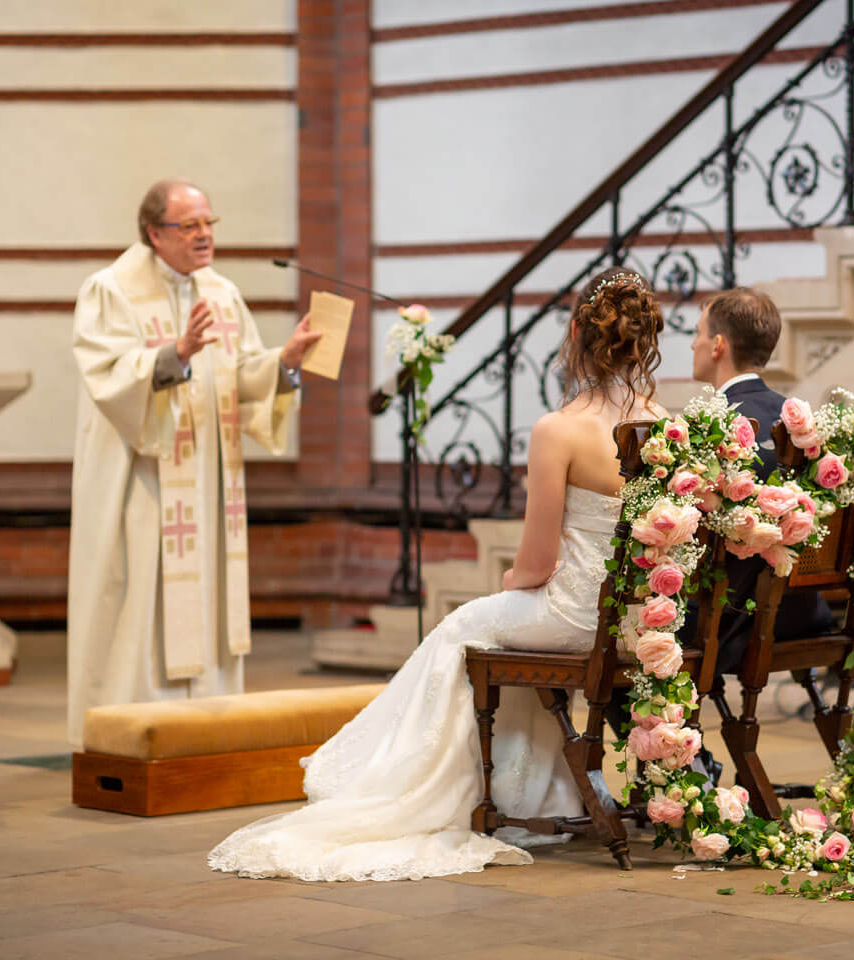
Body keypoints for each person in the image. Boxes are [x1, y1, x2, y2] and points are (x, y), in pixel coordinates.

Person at [208, 267, 667, 882]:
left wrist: (511, 581)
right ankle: (539, 798)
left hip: (572, 613)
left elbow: (536, 565)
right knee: (490, 632)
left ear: (578, 336)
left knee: (459, 629)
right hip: (638, 622)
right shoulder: (666, 423)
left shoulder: (558, 429)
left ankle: (414, 792)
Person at [66, 180, 321, 748]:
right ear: (154, 233)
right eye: (189, 225)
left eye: (209, 222)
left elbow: (239, 377)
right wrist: (172, 356)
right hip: (143, 484)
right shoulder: (111, 291)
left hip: (208, 488)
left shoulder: (223, 295)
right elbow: (107, 375)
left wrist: (284, 362)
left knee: (204, 597)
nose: (204, 235)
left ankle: (206, 734)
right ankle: (128, 735)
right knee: (140, 598)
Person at [686, 287, 835, 678]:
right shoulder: (799, 422)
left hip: (733, 624)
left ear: (718, 345)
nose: (692, 344)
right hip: (803, 612)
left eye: (698, 333)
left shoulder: (714, 426)